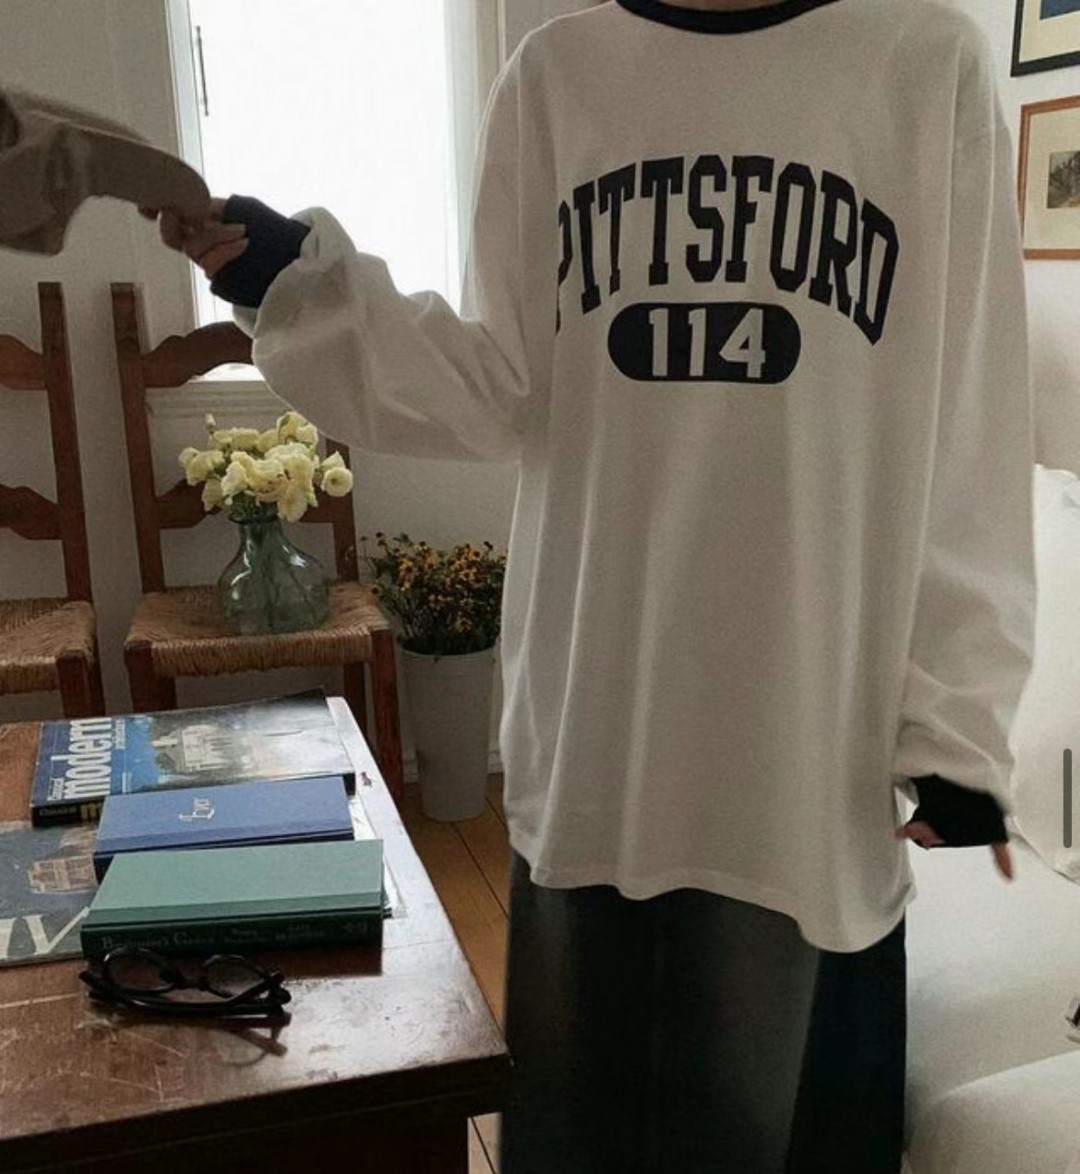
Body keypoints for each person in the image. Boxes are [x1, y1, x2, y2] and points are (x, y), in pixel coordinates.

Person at [145, 0, 1034, 1169]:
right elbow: (491, 385)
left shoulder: (923, 65)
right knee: (587, 1129)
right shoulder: (553, 78)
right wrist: (295, 282)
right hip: (599, 734)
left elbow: (972, 424)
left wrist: (958, 727)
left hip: (803, 756)